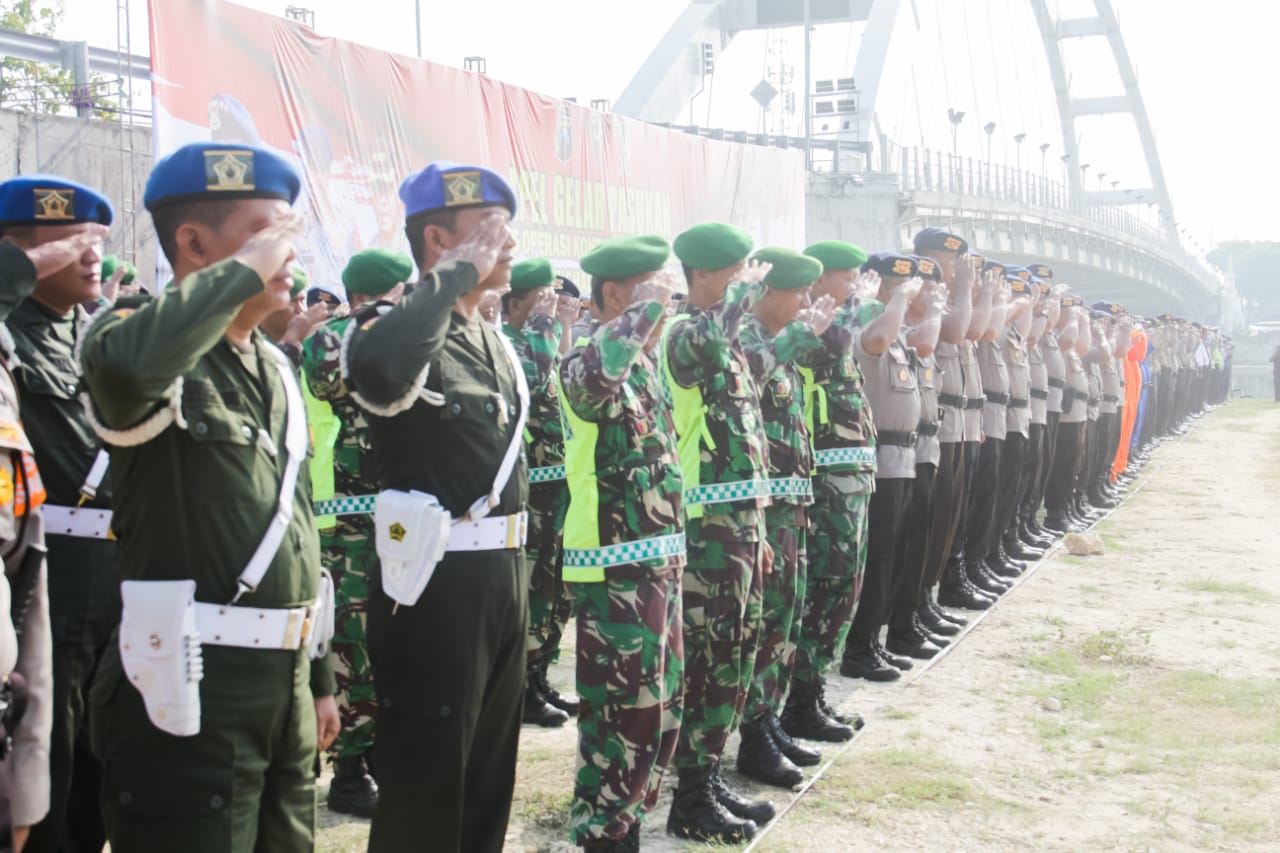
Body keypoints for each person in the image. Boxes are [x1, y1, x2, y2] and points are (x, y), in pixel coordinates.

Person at [80, 142, 339, 852]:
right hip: (187, 684)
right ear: (193, 243)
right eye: (268, 233)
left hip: (280, 683)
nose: (291, 251)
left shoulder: (275, 368)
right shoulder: (132, 336)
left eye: (291, 232)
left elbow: (297, 527)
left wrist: (317, 675)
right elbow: (128, 371)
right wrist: (242, 272)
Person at [343, 162, 526, 853]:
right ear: (436, 237)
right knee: (427, 783)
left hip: (502, 577)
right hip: (434, 584)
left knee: (486, 777)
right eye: (488, 229)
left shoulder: (493, 339)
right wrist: (452, 277)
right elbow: (382, 372)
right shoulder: (393, 328)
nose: (507, 243)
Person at [0, 174, 118, 853]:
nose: (91, 252)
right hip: (52, 582)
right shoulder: (9, 333)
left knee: (106, 766)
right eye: (70, 240)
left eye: (97, 238)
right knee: (52, 765)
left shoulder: (102, 339)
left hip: (118, 578)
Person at [558, 235, 685, 852]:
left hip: (657, 562)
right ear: (615, 295)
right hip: (611, 573)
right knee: (619, 714)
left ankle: (626, 822)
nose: (666, 308)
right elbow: (593, 380)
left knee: (659, 708)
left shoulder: (645, 368)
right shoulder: (584, 357)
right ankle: (603, 835)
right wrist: (646, 313)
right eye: (654, 294)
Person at [663, 222, 773, 843]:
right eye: (734, 273)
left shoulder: (724, 341)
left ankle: (706, 778)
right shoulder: (686, 336)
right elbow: (701, 345)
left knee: (736, 653)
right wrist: (735, 303)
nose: (745, 284)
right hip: (706, 529)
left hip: (742, 525)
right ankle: (689, 797)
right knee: (707, 659)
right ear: (703, 275)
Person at [303, 248, 415, 818]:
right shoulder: (329, 339)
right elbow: (332, 377)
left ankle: (376, 757)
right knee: (351, 647)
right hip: (343, 520)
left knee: (391, 640)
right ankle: (347, 772)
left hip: (394, 519)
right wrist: (381, 319)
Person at [735, 248, 835, 789]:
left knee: (785, 620)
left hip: (790, 503)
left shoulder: (781, 342)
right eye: (797, 292)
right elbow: (751, 375)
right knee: (764, 624)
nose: (803, 303)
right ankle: (753, 736)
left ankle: (768, 721)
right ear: (768, 292)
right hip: (761, 507)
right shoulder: (746, 340)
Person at [783, 240, 875, 734]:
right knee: (823, 588)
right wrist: (854, 305)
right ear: (820, 281)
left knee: (845, 588)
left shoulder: (831, 322)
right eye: (848, 278)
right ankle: (797, 702)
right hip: (824, 479)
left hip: (851, 476)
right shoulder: (812, 330)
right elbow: (837, 343)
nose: (855, 288)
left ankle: (812, 693)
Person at [840, 254, 928, 675]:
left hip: (902, 455)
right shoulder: (868, 322)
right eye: (901, 284)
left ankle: (874, 638)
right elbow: (873, 343)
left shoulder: (895, 329)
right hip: (878, 457)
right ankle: (858, 650)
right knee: (876, 555)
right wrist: (895, 301)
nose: (910, 292)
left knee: (892, 551)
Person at [501, 259, 579, 729]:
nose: (549, 307)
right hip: (530, 491)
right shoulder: (509, 346)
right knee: (532, 592)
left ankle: (541, 675)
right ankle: (521, 687)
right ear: (514, 304)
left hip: (558, 484)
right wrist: (547, 325)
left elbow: (561, 381)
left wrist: (560, 324)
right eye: (541, 299)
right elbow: (533, 378)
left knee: (555, 592)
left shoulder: (542, 339)